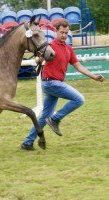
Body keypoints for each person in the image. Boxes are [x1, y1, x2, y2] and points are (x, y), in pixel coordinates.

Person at [21, 19, 104, 151]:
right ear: (55, 31)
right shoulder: (49, 46)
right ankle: (55, 119)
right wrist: (39, 58)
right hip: (50, 83)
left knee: (44, 117)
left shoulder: (68, 49)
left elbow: (79, 66)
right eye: (61, 32)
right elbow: (37, 60)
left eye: (66, 33)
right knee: (79, 99)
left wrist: (94, 76)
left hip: (55, 84)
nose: (64, 35)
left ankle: (27, 142)